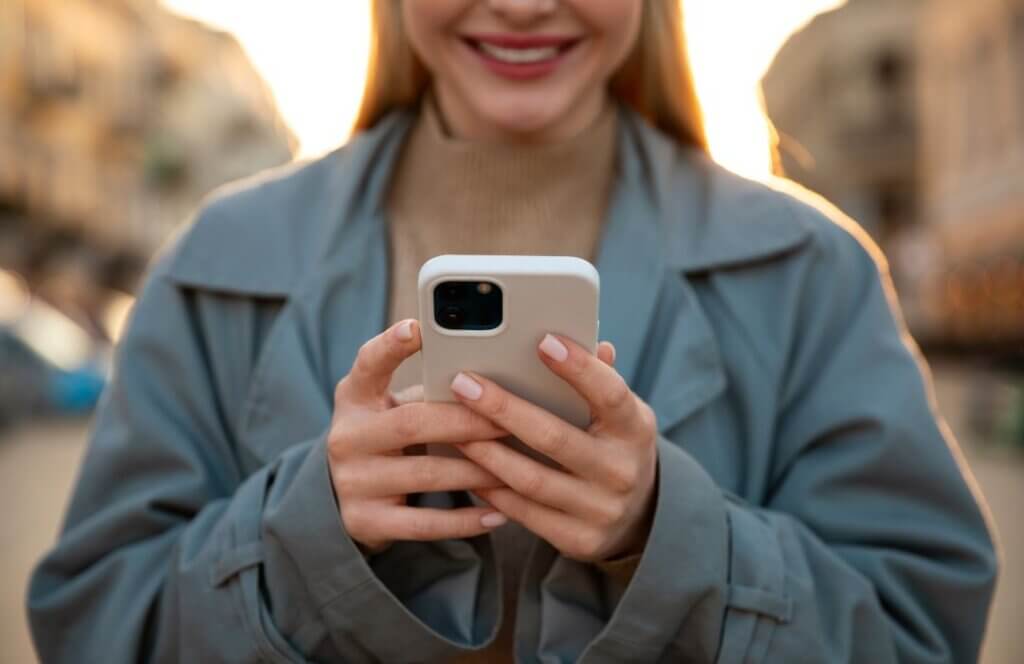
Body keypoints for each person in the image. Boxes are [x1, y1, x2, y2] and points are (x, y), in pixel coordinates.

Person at [28, 1, 998, 662]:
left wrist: (668, 535)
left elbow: (920, 629)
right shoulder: (219, 260)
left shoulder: (809, 270)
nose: (525, 3)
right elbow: (93, 623)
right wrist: (303, 531)